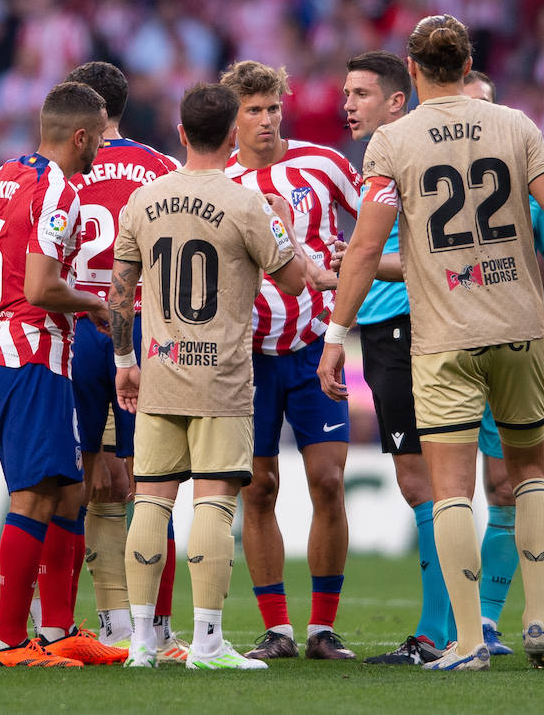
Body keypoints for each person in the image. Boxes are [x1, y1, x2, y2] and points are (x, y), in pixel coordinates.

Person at [319, 14, 544, 671]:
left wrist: (337, 332)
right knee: (530, 476)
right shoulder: (517, 127)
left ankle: (467, 642)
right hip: (517, 328)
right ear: (466, 61)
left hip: (444, 336)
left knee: (450, 490)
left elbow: (363, 247)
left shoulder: (394, 141)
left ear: (411, 73)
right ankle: (536, 618)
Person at [112, 82, 314, 669]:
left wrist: (126, 361)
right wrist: (285, 224)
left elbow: (120, 296)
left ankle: (143, 643)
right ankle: (206, 643)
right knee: (214, 505)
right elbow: (297, 279)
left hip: (160, 372)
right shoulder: (245, 202)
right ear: (232, 136)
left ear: (180, 134)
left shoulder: (142, 201)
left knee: (149, 502)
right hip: (221, 378)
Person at [0, 81, 122, 668]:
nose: (101, 152)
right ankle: (10, 641)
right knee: (36, 495)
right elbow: (41, 287)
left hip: (28, 351)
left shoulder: (4, 176)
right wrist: (93, 305)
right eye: (98, 140)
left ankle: (61, 631)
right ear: (82, 135)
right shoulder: (59, 191)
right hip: (30, 355)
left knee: (69, 492)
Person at [220, 60, 359, 661]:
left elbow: (382, 222)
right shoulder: (217, 182)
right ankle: (276, 628)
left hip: (313, 350)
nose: (267, 120)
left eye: (274, 107)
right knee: (258, 490)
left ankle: (322, 628)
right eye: (253, 110)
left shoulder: (324, 164)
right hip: (245, 358)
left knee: (328, 481)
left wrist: (352, 268)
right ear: (232, 119)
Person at [61, 61, 186, 660]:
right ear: (124, 106)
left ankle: (64, 623)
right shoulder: (161, 167)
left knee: (76, 483)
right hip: (144, 327)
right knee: (149, 483)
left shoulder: (59, 166)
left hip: (75, 326)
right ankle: (154, 629)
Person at [335, 49, 451, 666]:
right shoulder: (389, 157)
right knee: (437, 478)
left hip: (404, 325)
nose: (346, 105)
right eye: (346, 93)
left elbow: (422, 258)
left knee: (422, 479)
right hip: (407, 327)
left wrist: (339, 282)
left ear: (397, 100)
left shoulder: (398, 155)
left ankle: (441, 630)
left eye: (360, 94)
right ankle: (463, 622)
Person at [461, 68, 544, 657]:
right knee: (446, 488)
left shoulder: (526, 184)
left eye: (485, 107)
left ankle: (491, 620)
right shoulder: (426, 174)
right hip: (443, 345)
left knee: (505, 485)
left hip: (510, 341)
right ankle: (451, 622)